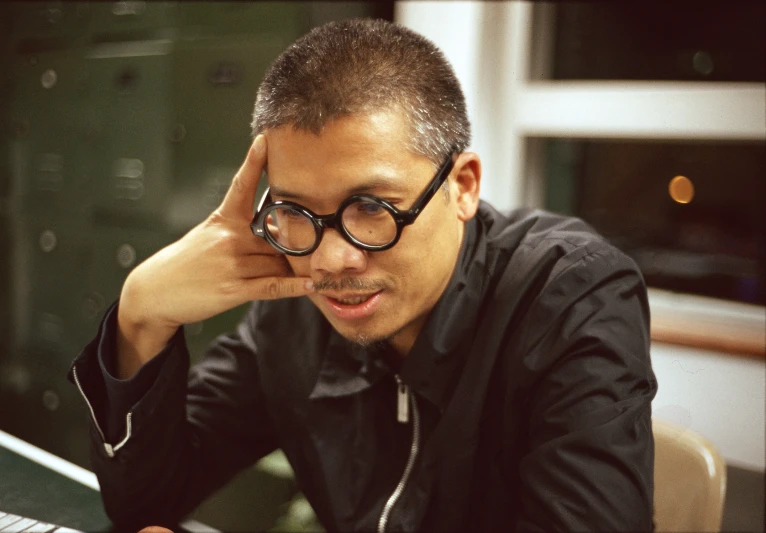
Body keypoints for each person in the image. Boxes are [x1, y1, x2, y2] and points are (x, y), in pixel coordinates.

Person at [68, 18, 657, 533]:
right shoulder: (294, 305)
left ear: (463, 186)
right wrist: (141, 311)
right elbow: (146, 501)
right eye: (296, 212)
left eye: (371, 208)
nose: (330, 260)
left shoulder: (570, 293)